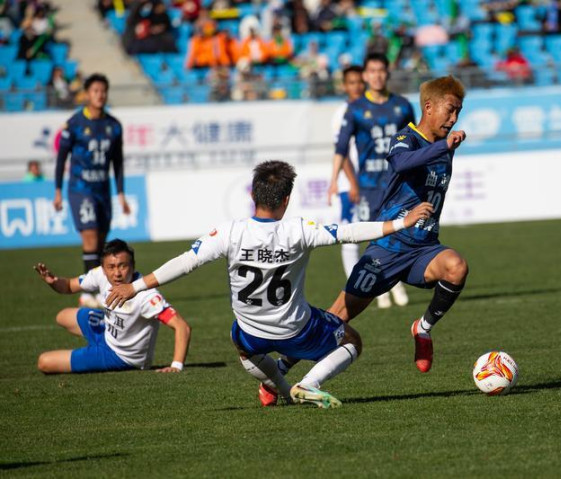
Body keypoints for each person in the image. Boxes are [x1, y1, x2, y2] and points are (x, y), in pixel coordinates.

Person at [105, 161, 433, 408]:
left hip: (250, 333)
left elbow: (186, 262)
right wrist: (401, 222)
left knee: (238, 338)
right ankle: (308, 382)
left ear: (252, 195)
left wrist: (134, 286)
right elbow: (348, 232)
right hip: (296, 330)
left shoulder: (230, 232)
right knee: (352, 339)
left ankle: (280, 386)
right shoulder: (298, 230)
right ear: (286, 199)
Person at [325, 75, 469, 374]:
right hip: (388, 248)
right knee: (336, 318)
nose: (454, 118)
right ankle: (280, 368)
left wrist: (445, 146)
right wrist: (444, 147)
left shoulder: (445, 145)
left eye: (458, 111)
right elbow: (402, 163)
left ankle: (422, 329)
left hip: (423, 249)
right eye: (450, 110)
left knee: (456, 267)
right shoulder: (405, 138)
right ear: (428, 107)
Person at [328, 53, 415, 309]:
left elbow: (416, 141)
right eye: (372, 71)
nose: (377, 75)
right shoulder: (354, 109)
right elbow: (341, 148)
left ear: (387, 73)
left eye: (381, 70)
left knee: (398, 234)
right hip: (368, 185)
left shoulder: (402, 106)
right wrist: (334, 180)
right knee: (371, 236)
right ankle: (380, 287)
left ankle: (393, 281)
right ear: (366, 75)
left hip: (398, 183)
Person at [33, 239, 191, 374]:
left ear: (133, 266)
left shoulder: (146, 296)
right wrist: (53, 281)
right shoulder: (100, 274)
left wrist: (176, 366)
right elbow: (68, 286)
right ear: (103, 268)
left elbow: (182, 326)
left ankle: (94, 351)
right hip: (107, 330)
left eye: (122, 266)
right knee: (62, 316)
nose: (117, 273)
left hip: (120, 356)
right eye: (111, 267)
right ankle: (99, 336)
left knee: (44, 362)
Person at [54, 73, 131, 308]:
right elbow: (61, 158)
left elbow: (117, 162)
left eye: (103, 91)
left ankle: (99, 288)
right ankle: (88, 292)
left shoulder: (113, 126)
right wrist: (57, 190)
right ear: (87, 94)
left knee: (100, 241)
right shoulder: (74, 124)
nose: (100, 95)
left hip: (102, 190)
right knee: (89, 235)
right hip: (80, 188)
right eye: (95, 91)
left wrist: (120, 193)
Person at [330, 65, 363, 282]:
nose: (357, 86)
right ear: (344, 86)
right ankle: (355, 287)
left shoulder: (371, 109)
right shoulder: (342, 113)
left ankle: (388, 286)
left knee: (384, 232)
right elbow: (341, 152)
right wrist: (353, 183)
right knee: (351, 236)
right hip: (349, 185)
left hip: (373, 182)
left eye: (360, 82)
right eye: (352, 82)